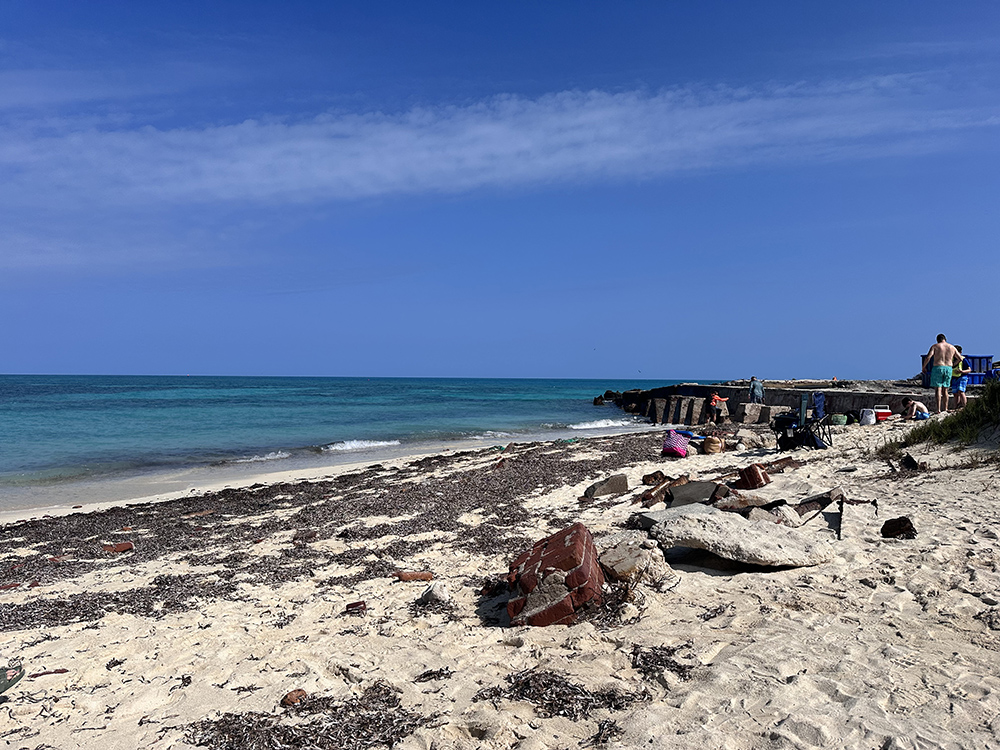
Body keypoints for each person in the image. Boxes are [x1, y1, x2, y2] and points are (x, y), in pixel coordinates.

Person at [924, 334, 964, 413]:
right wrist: (953, 364)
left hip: (938, 367)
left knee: (938, 388)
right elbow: (960, 358)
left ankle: (938, 409)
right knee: (945, 389)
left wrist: (923, 367)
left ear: (937, 340)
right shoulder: (952, 347)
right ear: (945, 339)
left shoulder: (935, 346)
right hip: (948, 368)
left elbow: (928, 357)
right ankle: (945, 408)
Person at [951, 345, 972, 410]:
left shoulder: (963, 359)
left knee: (961, 391)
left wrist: (962, 371)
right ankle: (955, 407)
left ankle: (964, 406)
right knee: (955, 393)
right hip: (954, 378)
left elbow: (969, 370)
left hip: (962, 377)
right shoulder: (951, 360)